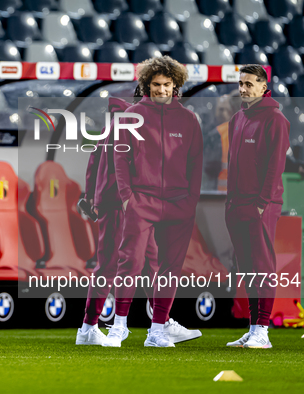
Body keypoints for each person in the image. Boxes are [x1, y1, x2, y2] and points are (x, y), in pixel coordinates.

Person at [76, 97, 202, 347]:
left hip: (121, 202)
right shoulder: (132, 123)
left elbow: (93, 163)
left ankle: (158, 322)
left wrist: (91, 195)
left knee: (144, 264)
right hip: (121, 202)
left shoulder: (114, 123)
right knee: (116, 264)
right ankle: (90, 326)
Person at [112, 56, 203, 348]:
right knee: (131, 262)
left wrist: (190, 203)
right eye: (155, 85)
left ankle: (157, 331)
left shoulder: (189, 120)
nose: (161, 90)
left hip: (179, 204)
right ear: (146, 86)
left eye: (166, 85)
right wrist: (127, 198)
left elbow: (196, 165)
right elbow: (121, 159)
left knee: (169, 269)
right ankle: (118, 327)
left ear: (175, 85)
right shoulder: (131, 116)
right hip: (142, 201)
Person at [225, 65, 290, 349]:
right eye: (241, 83)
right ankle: (253, 328)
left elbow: (276, 167)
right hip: (237, 204)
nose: (243, 89)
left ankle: (263, 330)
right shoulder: (237, 118)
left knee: (262, 267)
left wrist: (263, 204)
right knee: (248, 268)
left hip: (261, 205)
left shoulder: (275, 119)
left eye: (249, 84)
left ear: (264, 87)